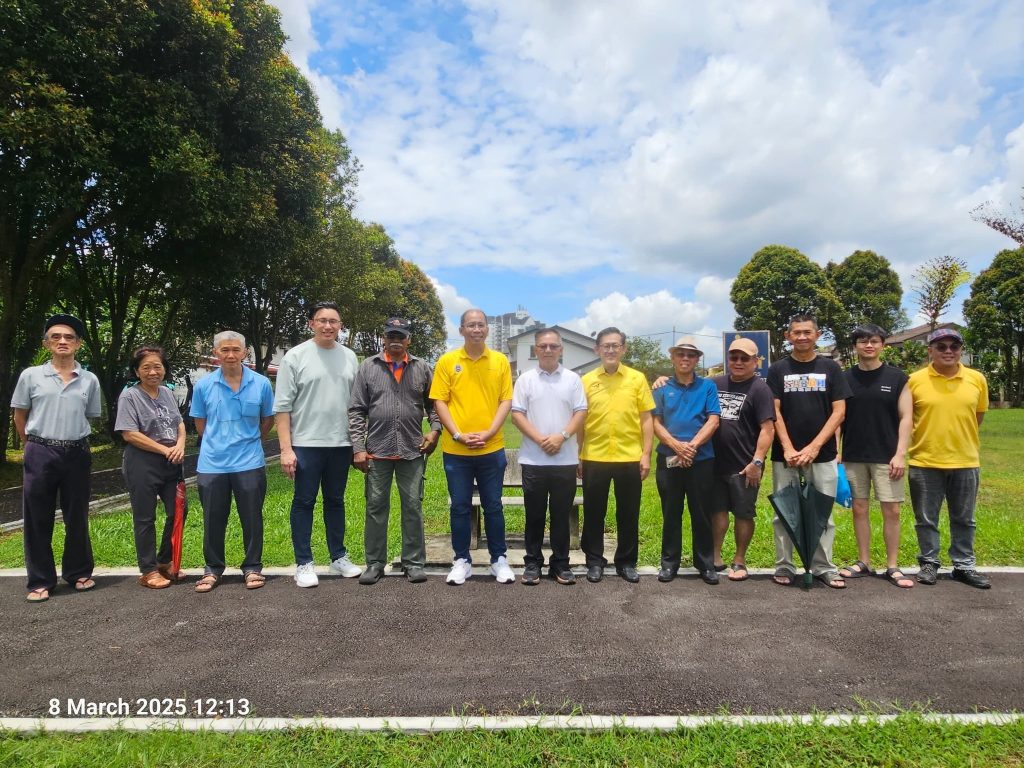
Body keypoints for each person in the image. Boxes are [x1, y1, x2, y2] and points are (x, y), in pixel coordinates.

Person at [12, 314, 101, 603]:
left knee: (77, 514)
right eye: (56, 337)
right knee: (38, 516)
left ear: (78, 344)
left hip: (76, 452)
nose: (63, 341)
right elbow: (20, 415)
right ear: (46, 343)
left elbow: (90, 415)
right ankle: (40, 580)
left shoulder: (89, 379)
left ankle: (78, 572)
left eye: (69, 337)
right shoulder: (31, 376)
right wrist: (33, 445)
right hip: (40, 450)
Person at [274, 301, 361, 588]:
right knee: (304, 501)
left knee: (335, 501)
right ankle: (304, 563)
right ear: (311, 323)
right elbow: (283, 407)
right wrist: (286, 450)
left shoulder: (350, 357)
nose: (327, 326)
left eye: (333, 321)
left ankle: (338, 556)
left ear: (340, 325)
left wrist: (357, 444)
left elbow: (357, 406)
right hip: (306, 444)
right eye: (321, 320)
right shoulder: (295, 357)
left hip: (340, 443)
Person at [349, 317, 441, 585]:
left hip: (412, 451)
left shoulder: (422, 367)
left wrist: (435, 431)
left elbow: (434, 405)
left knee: (412, 507)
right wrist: (358, 448)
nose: (396, 341)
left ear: (409, 339)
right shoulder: (368, 367)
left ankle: (413, 563)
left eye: (401, 336)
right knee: (376, 507)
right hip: (377, 451)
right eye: (391, 336)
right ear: (384, 339)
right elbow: (356, 410)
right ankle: (375, 563)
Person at [430, 309, 515, 585]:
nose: (476, 329)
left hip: (492, 449)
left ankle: (498, 559)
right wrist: (457, 434)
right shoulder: (447, 361)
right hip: (457, 451)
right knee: (460, 507)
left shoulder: (500, 361)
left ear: (487, 329)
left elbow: (505, 401)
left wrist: (490, 432)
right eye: (470, 325)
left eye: (480, 325)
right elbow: (439, 401)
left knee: (493, 506)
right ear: (461, 330)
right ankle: (462, 560)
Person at [766, 314, 851, 588]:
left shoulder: (831, 368)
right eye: (796, 332)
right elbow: (774, 410)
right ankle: (785, 565)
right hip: (785, 456)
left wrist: (814, 447)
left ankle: (823, 566)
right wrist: (789, 447)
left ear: (817, 335)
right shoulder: (778, 369)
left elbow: (839, 411)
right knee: (784, 513)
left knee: (822, 513)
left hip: (823, 454)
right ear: (788, 336)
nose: (802, 337)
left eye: (807, 332)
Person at [189, 331, 274, 592]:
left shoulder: (261, 384)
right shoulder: (203, 386)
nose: (230, 355)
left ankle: (252, 567)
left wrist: (248, 440)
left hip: (249, 461)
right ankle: (213, 568)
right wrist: (219, 442)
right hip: (213, 463)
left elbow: (267, 419)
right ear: (216, 353)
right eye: (224, 350)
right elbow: (200, 423)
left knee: (251, 517)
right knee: (213, 518)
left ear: (245, 352)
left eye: (236, 350)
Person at [907, 328, 991, 589]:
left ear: (961, 350)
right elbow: (906, 419)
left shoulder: (977, 379)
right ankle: (929, 563)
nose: (948, 351)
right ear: (929, 350)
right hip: (924, 460)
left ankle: (964, 565)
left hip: (965, 460)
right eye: (941, 346)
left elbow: (977, 417)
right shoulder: (914, 380)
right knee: (926, 518)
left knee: (965, 518)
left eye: (954, 347)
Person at [838, 325, 914, 589]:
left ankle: (892, 566)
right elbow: (839, 418)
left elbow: (906, 418)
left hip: (887, 456)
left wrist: (900, 454)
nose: (868, 345)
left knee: (891, 510)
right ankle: (863, 561)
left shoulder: (897, 378)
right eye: (862, 341)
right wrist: (837, 453)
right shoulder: (845, 378)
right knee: (859, 508)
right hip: (854, 454)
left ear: (883, 345)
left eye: (873, 341)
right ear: (855, 346)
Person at [510, 328, 588, 586]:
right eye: (542, 346)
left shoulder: (573, 379)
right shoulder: (525, 380)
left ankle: (561, 564)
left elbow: (580, 412)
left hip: (564, 460)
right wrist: (541, 439)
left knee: (560, 514)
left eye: (553, 346)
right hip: (534, 460)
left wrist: (562, 436)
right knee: (534, 514)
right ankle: (532, 563)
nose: (547, 350)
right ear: (535, 349)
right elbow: (517, 414)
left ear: (561, 349)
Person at [579, 327, 655, 584]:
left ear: (624, 349)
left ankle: (626, 561)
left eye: (615, 345)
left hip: (629, 457)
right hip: (594, 456)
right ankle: (594, 561)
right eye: (605, 346)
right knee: (593, 512)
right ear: (597, 349)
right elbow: (581, 421)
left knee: (628, 512)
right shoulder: (587, 381)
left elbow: (646, 419)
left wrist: (646, 454)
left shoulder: (637, 379)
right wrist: (579, 455)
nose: (610, 350)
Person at [115, 345, 187, 589]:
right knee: (145, 517)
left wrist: (179, 445)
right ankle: (147, 570)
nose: (153, 371)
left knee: (178, 511)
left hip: (171, 462)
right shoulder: (130, 396)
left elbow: (179, 424)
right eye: (146, 367)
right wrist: (164, 449)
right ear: (136, 371)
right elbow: (129, 434)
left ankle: (164, 561)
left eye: (158, 366)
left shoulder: (167, 393)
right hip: (142, 462)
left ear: (164, 370)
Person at [651, 336, 721, 584]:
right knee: (671, 511)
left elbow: (713, 420)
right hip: (668, 458)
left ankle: (705, 563)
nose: (685, 358)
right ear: (672, 357)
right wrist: (676, 446)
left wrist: (691, 446)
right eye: (680, 354)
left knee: (701, 512)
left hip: (701, 458)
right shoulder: (661, 387)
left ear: (697, 359)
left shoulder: (707, 387)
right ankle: (669, 563)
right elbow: (655, 422)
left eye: (690, 355)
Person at [711, 337, 775, 583]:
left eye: (744, 358)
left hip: (745, 466)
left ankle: (739, 559)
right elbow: (688, 385)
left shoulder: (760, 389)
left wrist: (757, 462)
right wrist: (664, 380)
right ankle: (715, 557)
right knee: (717, 511)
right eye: (734, 357)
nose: (738, 362)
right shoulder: (715, 384)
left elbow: (767, 429)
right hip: (715, 464)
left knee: (743, 513)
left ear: (755, 362)